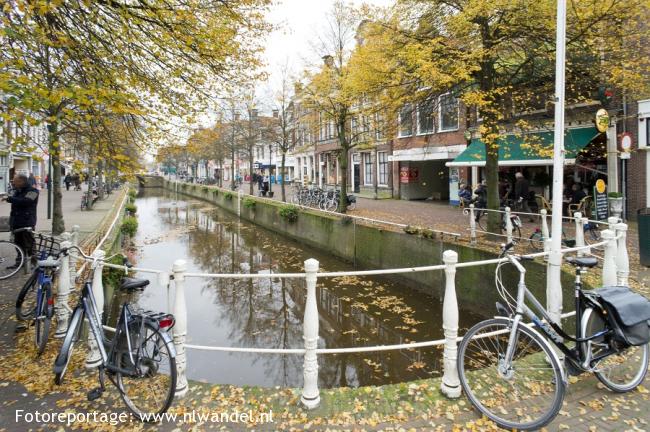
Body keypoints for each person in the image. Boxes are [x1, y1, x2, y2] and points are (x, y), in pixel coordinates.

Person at [2, 174, 39, 268]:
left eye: (15, 181)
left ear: (21, 182)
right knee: (18, 243)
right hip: (16, 221)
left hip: (27, 221)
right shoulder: (17, 191)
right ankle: (20, 262)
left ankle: (35, 263)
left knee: (29, 243)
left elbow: (26, 201)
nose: (13, 183)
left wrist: (10, 199)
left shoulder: (33, 191)